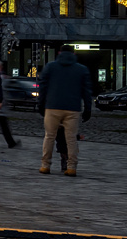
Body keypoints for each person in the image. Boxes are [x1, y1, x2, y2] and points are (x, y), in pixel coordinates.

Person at [38, 43, 93, 176]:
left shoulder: (50, 67)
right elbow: (86, 91)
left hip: (52, 106)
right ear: (74, 54)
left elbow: (43, 87)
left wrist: (41, 104)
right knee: (71, 139)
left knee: (49, 136)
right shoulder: (81, 69)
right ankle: (71, 167)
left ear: (59, 53)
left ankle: (45, 165)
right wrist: (87, 108)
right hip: (72, 108)